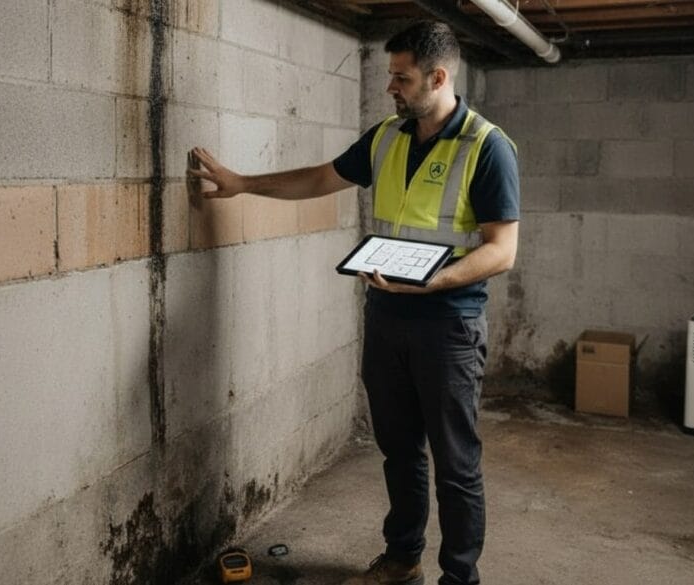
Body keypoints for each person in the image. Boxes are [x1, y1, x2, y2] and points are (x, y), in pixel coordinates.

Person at [188, 20, 519, 585]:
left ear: (438, 78)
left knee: (456, 465)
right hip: (386, 319)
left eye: (401, 77)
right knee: (399, 451)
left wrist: (435, 282)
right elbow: (321, 178)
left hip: (449, 326)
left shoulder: (487, 148)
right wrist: (244, 183)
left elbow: (502, 250)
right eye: (391, 75)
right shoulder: (387, 136)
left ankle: (460, 577)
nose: (390, 87)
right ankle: (402, 558)